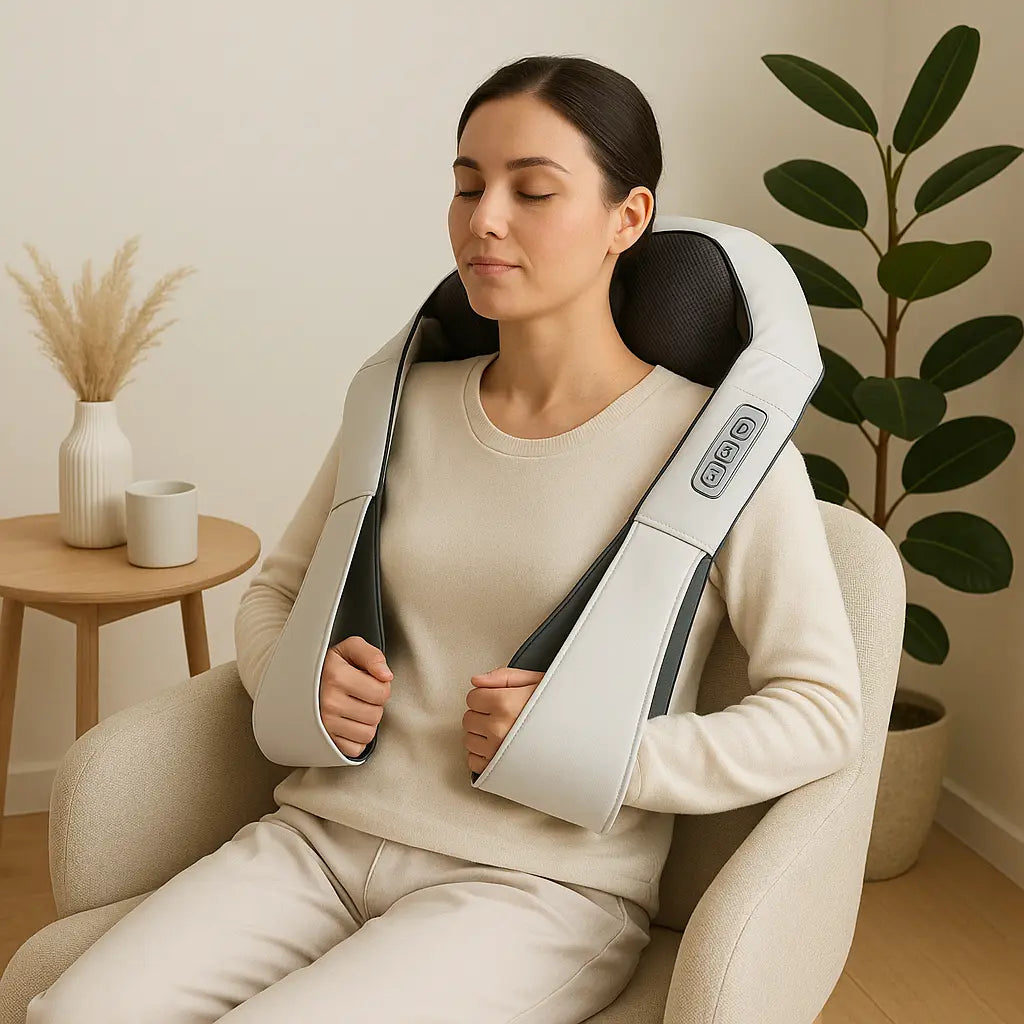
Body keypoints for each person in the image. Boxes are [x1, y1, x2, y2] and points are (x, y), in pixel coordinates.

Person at [26, 54, 861, 1024]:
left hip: (537, 891)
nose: (484, 220)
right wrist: (301, 677)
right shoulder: (399, 405)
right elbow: (274, 595)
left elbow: (822, 710)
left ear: (627, 219)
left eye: (532, 191)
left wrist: (613, 752)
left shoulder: (718, 452)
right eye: (467, 186)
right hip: (316, 840)